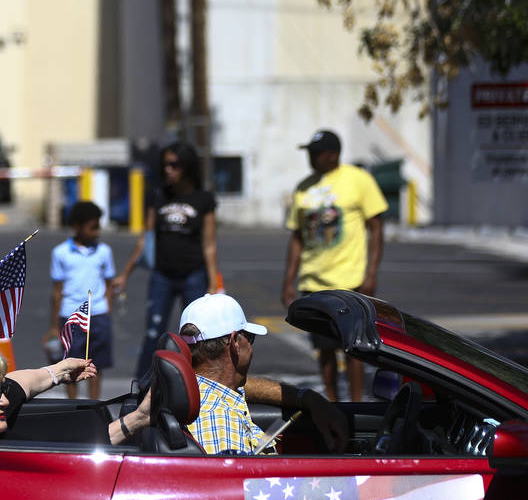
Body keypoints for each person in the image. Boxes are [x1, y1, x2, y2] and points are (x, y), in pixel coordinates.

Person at [0, 313, 152, 445]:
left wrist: (60, 371)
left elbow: (22, 383)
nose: (4, 400)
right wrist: (137, 420)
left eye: (1, 388)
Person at [281, 129, 387, 402]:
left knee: (354, 350)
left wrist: (371, 273)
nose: (311, 158)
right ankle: (333, 405)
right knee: (324, 350)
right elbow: (297, 236)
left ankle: (355, 405)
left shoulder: (358, 180)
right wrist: (288, 281)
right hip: (313, 282)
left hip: (350, 280)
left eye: (316, 153)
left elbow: (376, 227)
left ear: (334, 155)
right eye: (309, 153)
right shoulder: (304, 187)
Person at [180, 293, 348, 455]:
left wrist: (308, 398)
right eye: (250, 338)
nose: (252, 348)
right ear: (235, 343)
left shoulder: (197, 388)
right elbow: (237, 483)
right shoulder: (220, 421)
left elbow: (247, 386)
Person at [117, 141, 219, 380]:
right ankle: (142, 387)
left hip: (194, 274)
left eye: (174, 165)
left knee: (197, 335)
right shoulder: (159, 195)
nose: (168, 170)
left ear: (187, 167)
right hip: (162, 275)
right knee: (153, 333)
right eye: (165, 165)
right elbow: (146, 238)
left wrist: (213, 282)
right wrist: (125, 273)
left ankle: (199, 384)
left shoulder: (204, 199)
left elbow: (210, 243)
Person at [43, 201, 116, 399]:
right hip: (71, 315)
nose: (97, 231)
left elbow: (109, 284)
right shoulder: (61, 253)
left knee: (96, 364)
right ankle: (72, 404)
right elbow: (56, 290)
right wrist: (53, 325)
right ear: (77, 226)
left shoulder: (104, 251)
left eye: (98, 226)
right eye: (93, 227)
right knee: (70, 365)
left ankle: (94, 404)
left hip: (99, 314)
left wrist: (108, 310)